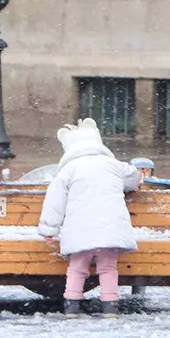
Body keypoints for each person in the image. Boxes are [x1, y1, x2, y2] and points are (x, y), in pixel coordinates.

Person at [37, 117, 142, 318]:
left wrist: (49, 230)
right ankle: (110, 306)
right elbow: (133, 177)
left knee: (77, 269)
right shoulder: (113, 165)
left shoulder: (68, 169)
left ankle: (71, 306)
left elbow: (55, 201)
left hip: (79, 231)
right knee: (108, 268)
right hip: (109, 230)